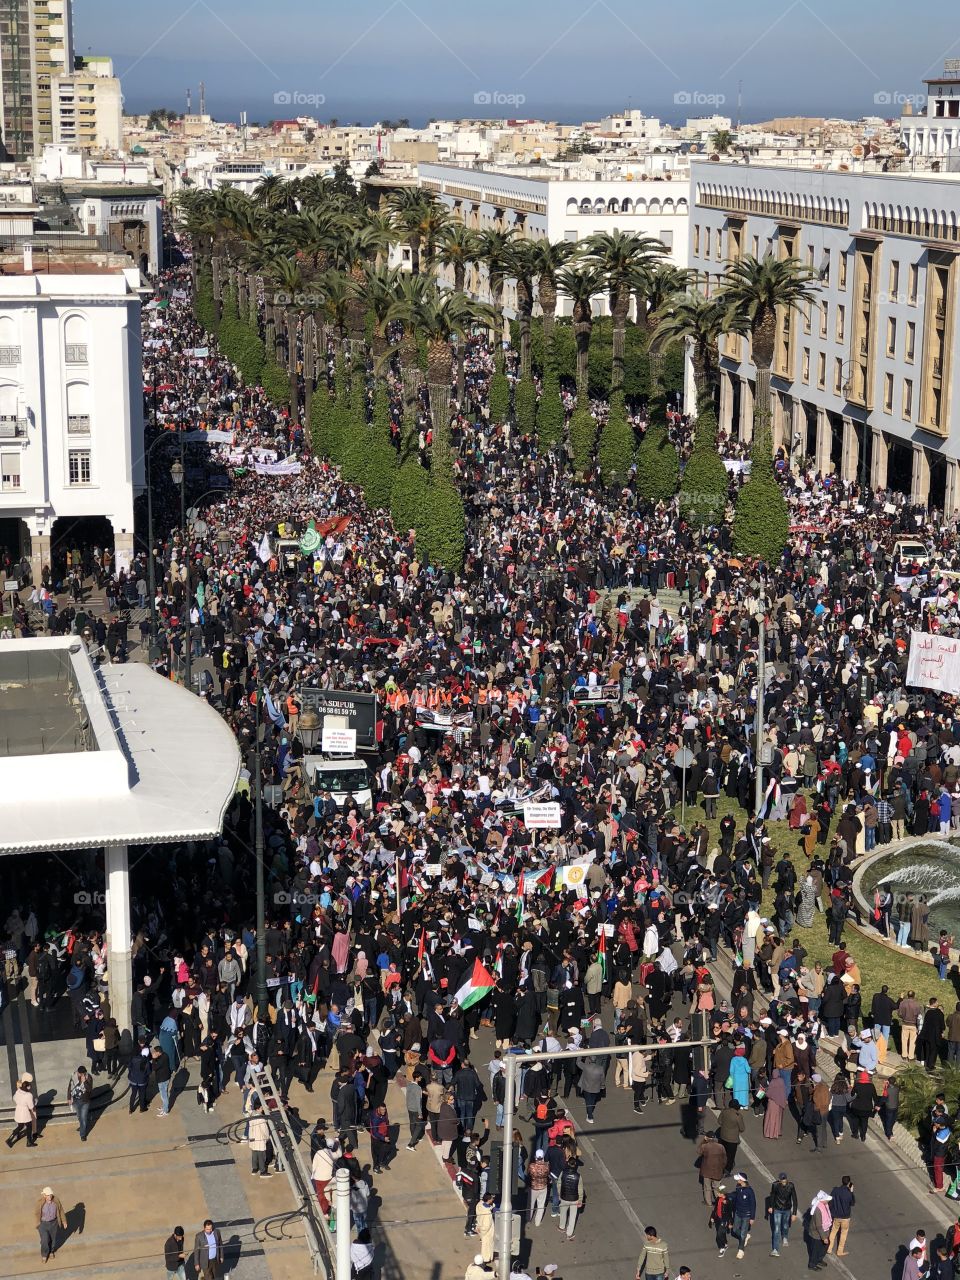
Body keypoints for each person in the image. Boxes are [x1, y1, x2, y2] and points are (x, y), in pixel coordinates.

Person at [766, 1172, 798, 1256]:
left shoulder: (791, 1185)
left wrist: (794, 1213)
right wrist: (770, 1206)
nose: (784, 1181)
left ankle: (785, 1237)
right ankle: (775, 1249)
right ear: (779, 1180)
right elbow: (772, 1196)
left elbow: (794, 1199)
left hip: (787, 1209)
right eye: (782, 1179)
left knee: (785, 1225)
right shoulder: (775, 1185)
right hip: (777, 1209)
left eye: (785, 1179)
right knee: (776, 1229)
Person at [36, 1186, 67, 1263]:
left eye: (50, 1195)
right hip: (43, 1224)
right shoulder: (40, 1202)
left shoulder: (56, 1201)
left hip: (54, 1223)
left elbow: (61, 1210)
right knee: (44, 1240)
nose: (50, 1196)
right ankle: (44, 1255)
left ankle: (51, 1251)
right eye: (48, 1195)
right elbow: (36, 1213)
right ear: (44, 1195)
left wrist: (64, 1221)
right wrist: (38, 1223)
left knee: (53, 1240)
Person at [730, 1172, 756, 1260]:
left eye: (738, 1179)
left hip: (746, 1215)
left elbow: (753, 1204)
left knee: (742, 1233)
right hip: (738, 1213)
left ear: (742, 1180)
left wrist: (752, 1217)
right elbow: (735, 1195)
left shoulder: (749, 1191)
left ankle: (741, 1250)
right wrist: (726, 1195)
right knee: (734, 1229)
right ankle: (745, 1237)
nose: (737, 1180)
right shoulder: (738, 1187)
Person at [7, 1074, 37, 1147]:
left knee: (20, 1126)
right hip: (25, 1112)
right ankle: (29, 1142)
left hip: (18, 1110)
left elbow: (14, 1098)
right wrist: (35, 1103)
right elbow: (31, 1106)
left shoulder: (18, 1091)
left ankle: (10, 1139)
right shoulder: (28, 1095)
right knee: (29, 1126)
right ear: (27, 1087)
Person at [557, 1156, 583, 1240]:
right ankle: (569, 1234)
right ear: (575, 1165)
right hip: (574, 1199)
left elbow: (559, 1184)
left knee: (563, 1212)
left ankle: (561, 1227)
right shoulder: (578, 1176)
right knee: (572, 1217)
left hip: (564, 1197)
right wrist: (580, 1200)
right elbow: (580, 1189)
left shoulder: (563, 1173)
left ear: (568, 1163)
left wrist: (559, 1194)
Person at [827, 1176, 854, 1256]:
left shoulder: (835, 1190)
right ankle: (840, 1251)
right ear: (849, 1183)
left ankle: (829, 1248)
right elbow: (852, 1203)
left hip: (836, 1215)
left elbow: (830, 1201)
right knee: (843, 1233)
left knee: (833, 1231)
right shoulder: (849, 1193)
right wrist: (852, 1192)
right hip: (845, 1217)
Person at [807, 1191, 832, 1272]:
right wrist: (824, 1237)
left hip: (824, 1231)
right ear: (822, 1200)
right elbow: (819, 1226)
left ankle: (819, 1259)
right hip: (817, 1234)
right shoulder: (818, 1210)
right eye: (827, 1199)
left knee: (825, 1246)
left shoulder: (824, 1205)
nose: (828, 1201)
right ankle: (812, 1264)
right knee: (816, 1249)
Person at [67, 1063, 92, 1141]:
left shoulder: (88, 1078)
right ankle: (82, 1126)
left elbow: (89, 1090)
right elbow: (70, 1087)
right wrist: (68, 1098)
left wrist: (84, 1082)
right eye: (80, 1073)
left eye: (82, 1074)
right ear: (78, 1072)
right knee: (79, 1116)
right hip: (75, 1100)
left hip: (85, 1101)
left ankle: (83, 1134)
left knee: (84, 1118)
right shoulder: (74, 1076)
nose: (81, 1075)